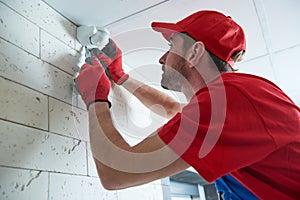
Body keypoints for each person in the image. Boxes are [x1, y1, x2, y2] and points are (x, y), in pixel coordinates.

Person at [76, 10, 300, 200]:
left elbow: (116, 173)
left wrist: (96, 98)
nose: (162, 58)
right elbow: (172, 110)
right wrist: (119, 76)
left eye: (171, 45)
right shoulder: (240, 96)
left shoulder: (230, 99)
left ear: (194, 53)